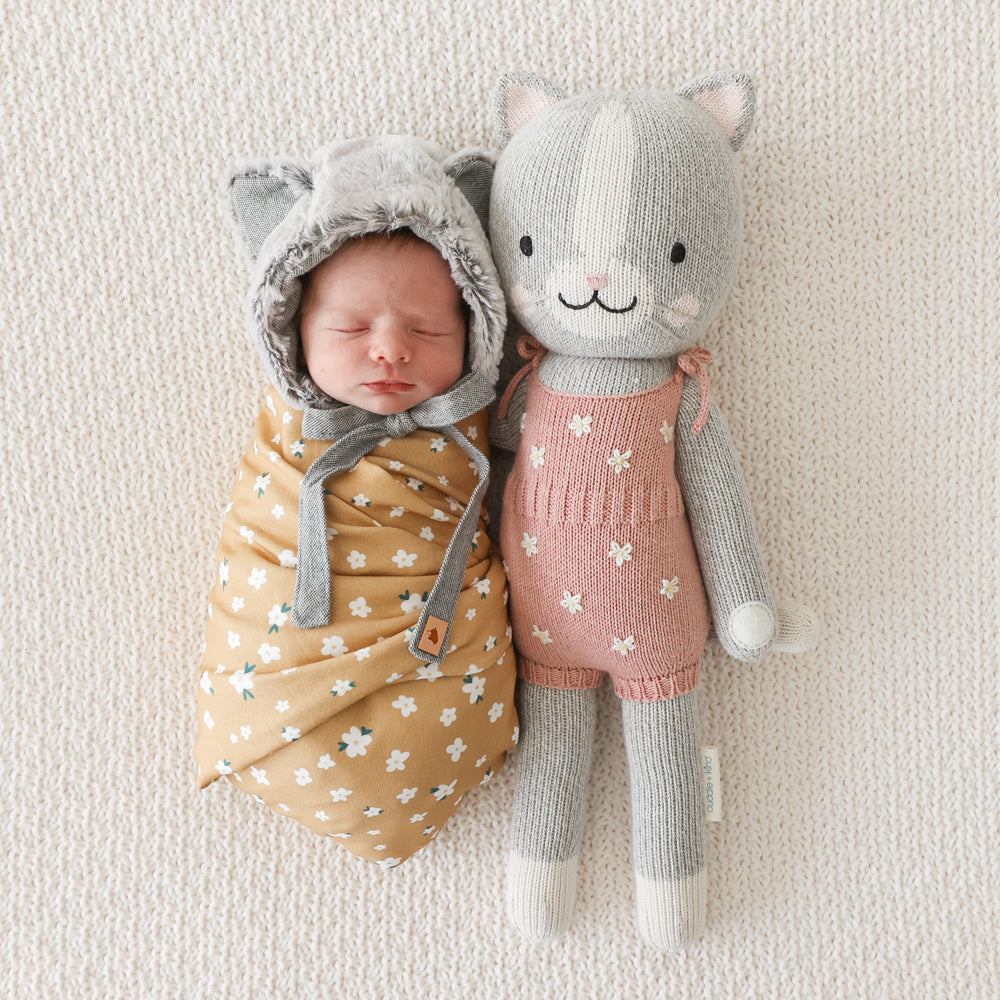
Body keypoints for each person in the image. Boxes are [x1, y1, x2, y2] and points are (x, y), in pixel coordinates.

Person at [193, 136, 516, 869]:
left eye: (428, 330)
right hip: (283, 656)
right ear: (291, 329)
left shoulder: (471, 428)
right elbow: (259, 542)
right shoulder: (288, 436)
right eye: (349, 328)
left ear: (475, 328)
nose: (390, 351)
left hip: (444, 666)